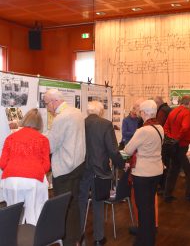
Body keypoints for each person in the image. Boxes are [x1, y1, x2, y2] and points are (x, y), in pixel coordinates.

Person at [78, 101, 124, 246]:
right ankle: (98, 238)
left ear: (88, 111)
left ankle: (78, 236)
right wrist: (121, 164)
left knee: (81, 202)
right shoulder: (105, 124)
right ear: (100, 111)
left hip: (82, 168)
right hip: (100, 170)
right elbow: (112, 149)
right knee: (98, 203)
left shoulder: (80, 123)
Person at [44, 89, 86, 246]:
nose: (47, 107)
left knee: (65, 207)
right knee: (73, 204)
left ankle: (67, 240)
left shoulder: (61, 118)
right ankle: (75, 238)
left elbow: (50, 146)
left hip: (65, 169)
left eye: (47, 103)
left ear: (55, 101)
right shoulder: (76, 112)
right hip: (77, 165)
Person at [0, 108, 50, 225]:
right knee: (35, 212)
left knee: (14, 215)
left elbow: (2, 163)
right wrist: (35, 170)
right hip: (34, 180)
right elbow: (46, 166)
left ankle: (14, 240)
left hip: (11, 180)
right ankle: (34, 239)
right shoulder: (43, 139)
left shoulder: (10, 138)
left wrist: (15, 169)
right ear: (39, 124)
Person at [124, 100, 163, 246]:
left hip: (143, 173)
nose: (140, 113)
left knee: (143, 207)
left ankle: (144, 241)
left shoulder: (143, 130)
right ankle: (148, 237)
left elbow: (128, 149)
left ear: (145, 113)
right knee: (150, 206)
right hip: (157, 171)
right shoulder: (160, 127)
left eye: (141, 111)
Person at [163, 95, 190, 202]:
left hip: (174, 146)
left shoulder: (172, 111)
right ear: (189, 103)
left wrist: (172, 138)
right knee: (189, 171)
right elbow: (185, 127)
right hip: (185, 146)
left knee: (173, 170)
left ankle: (167, 194)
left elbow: (165, 127)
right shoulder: (186, 113)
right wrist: (177, 138)